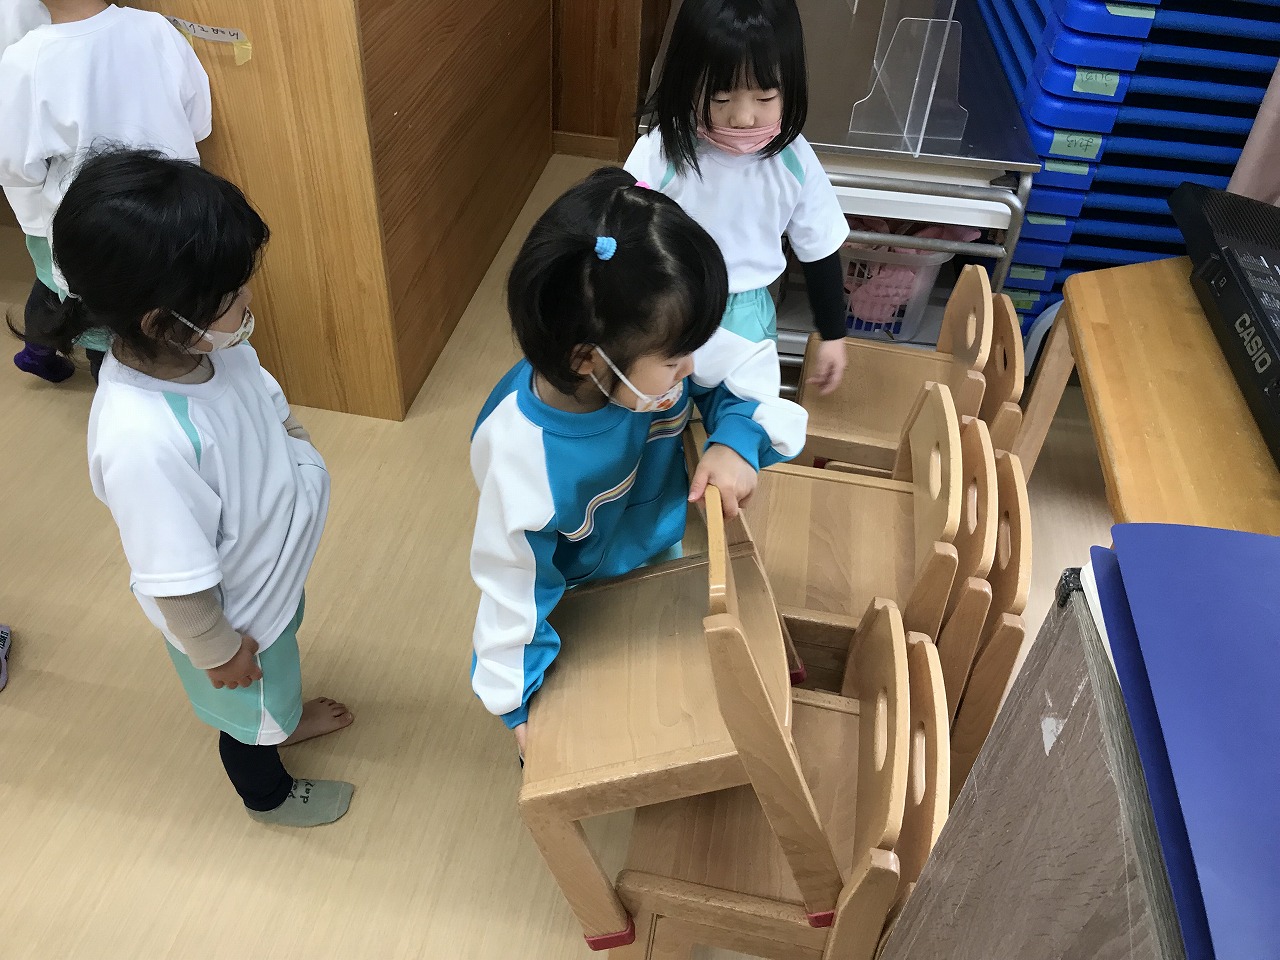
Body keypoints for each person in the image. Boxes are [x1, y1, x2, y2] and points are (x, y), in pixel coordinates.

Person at [48, 148, 354, 827]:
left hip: (268, 579)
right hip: (231, 621)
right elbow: (174, 579)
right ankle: (267, 792)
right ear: (161, 322)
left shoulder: (212, 348)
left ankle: (282, 717)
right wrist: (218, 650)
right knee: (245, 717)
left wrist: (294, 442)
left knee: (278, 676)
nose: (248, 302)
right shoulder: (143, 440)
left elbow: (262, 403)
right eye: (231, 296)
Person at [469, 167, 807, 754]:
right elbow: (514, 585)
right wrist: (517, 702)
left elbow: (740, 375)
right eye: (675, 362)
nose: (690, 369)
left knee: (673, 702)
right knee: (607, 727)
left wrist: (735, 440)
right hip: (573, 598)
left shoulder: (652, 346)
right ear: (587, 360)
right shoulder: (522, 455)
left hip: (653, 550)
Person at [625, 0, 850, 395]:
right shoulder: (660, 152)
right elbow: (620, 229)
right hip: (667, 304)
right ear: (687, 82)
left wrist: (833, 334)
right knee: (657, 411)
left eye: (764, 98)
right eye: (721, 99)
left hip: (745, 318)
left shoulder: (794, 160)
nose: (743, 118)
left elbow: (820, 248)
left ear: (791, 86)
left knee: (746, 415)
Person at [0, 0, 211, 383]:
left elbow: (14, 165)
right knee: (164, 309)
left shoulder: (24, 60)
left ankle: (100, 384)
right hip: (173, 210)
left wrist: (40, 226)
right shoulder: (156, 28)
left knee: (93, 316)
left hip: (85, 227)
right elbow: (199, 123)